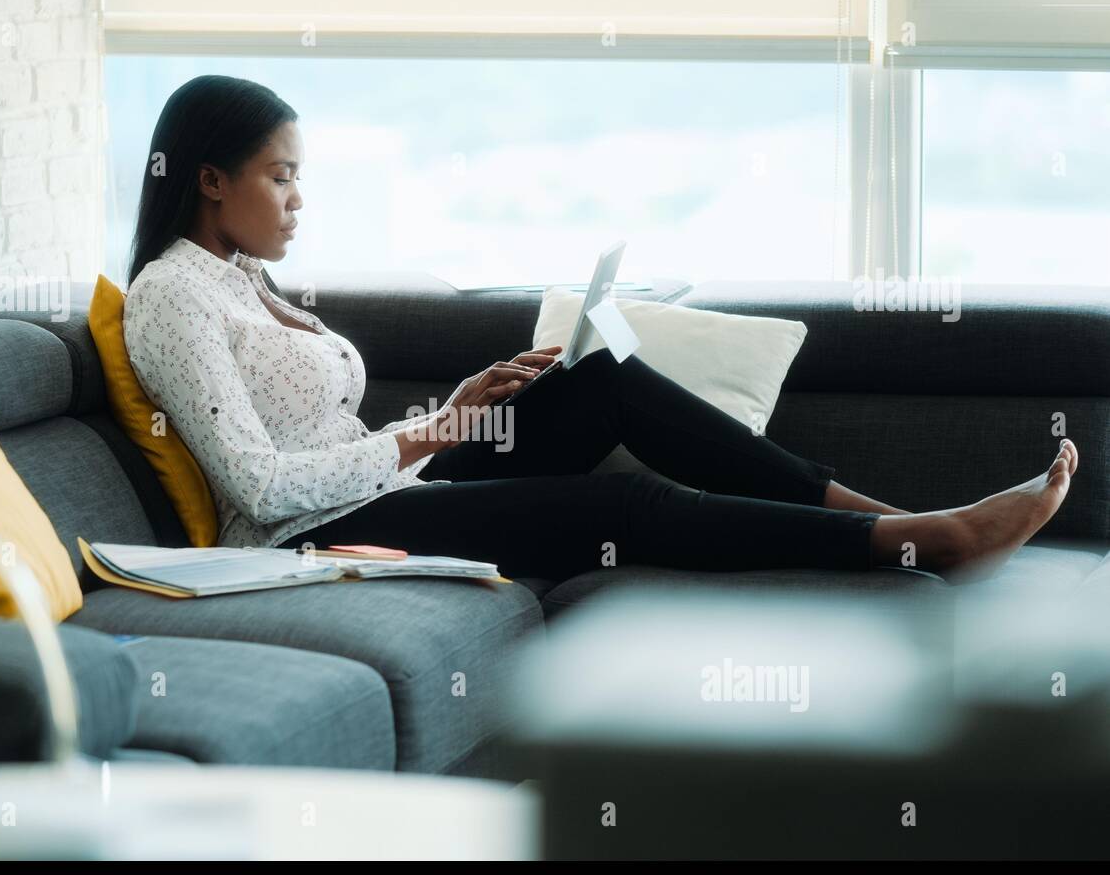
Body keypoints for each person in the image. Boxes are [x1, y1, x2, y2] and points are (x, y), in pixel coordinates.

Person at [123, 75, 1077, 584]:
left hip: (379, 487)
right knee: (620, 515)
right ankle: (924, 543)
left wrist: (454, 412)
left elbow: (333, 434)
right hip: (308, 539)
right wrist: (432, 433)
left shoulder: (245, 279)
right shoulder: (172, 297)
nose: (298, 199)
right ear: (210, 179)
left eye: (300, 177)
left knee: (602, 379)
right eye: (280, 176)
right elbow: (258, 482)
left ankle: (885, 516)